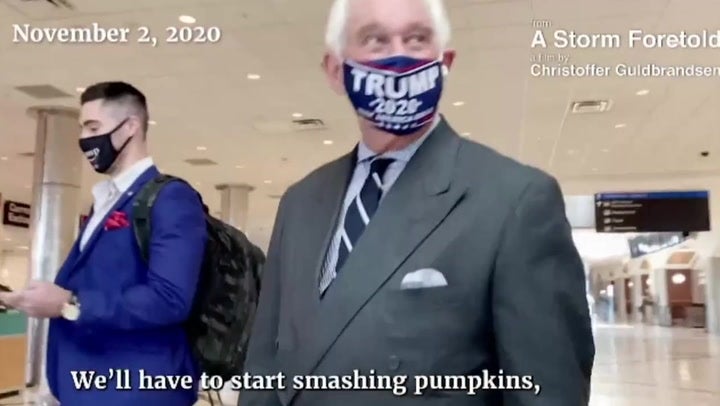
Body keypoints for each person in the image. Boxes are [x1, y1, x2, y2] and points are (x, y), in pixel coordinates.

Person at [241, 0, 595, 405]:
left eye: (416, 39)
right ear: (337, 71)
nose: (399, 58)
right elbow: (265, 364)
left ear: (444, 63)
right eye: (375, 39)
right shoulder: (300, 201)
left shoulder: (516, 201)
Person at [0, 82, 207, 405]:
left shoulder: (170, 198)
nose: (85, 139)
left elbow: (169, 299)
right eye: (83, 128)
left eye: (93, 127)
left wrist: (70, 302)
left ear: (131, 126)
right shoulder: (105, 202)